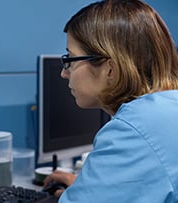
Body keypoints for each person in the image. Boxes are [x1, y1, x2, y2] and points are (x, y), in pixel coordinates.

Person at [42, 0, 178, 202]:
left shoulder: (134, 130)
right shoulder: (168, 107)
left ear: (110, 70)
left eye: (70, 60)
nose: (64, 73)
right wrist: (90, 186)